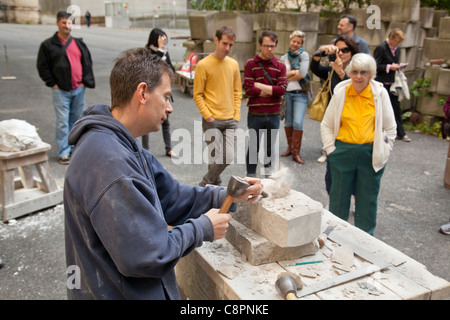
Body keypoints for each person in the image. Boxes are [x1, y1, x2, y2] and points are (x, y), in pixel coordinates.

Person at [64, 48, 263, 300]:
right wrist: (202, 228)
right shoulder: (108, 162)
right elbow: (146, 255)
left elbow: (172, 198)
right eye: (167, 97)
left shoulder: (125, 144)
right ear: (143, 93)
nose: (169, 108)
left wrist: (228, 195)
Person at [320, 53, 397, 235]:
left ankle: (365, 241)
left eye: (364, 72)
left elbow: (390, 128)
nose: (359, 77)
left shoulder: (379, 93)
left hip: (370, 153)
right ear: (349, 72)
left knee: (367, 200)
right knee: (338, 199)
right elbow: (326, 125)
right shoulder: (341, 92)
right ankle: (334, 236)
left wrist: (385, 151)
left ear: (371, 74)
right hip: (342, 152)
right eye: (354, 72)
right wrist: (331, 150)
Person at [37, 11, 95, 165]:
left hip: (78, 88)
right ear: (57, 23)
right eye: (64, 23)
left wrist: (84, 82)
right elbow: (42, 67)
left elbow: (87, 62)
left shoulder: (78, 43)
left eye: (69, 23)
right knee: (63, 121)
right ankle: (63, 151)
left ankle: (75, 149)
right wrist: (52, 83)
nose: (67, 26)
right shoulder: (48, 45)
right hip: (60, 90)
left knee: (76, 121)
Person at [193, 26, 242, 187]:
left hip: (230, 120)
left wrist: (236, 115)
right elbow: (197, 94)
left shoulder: (233, 64)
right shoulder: (203, 65)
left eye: (231, 45)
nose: (227, 48)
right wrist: (208, 116)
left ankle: (204, 184)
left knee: (228, 156)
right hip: (211, 120)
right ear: (216, 40)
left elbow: (237, 91)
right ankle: (213, 192)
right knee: (214, 159)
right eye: (224, 43)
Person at [311, 35, 359, 195]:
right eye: (338, 50)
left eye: (346, 50)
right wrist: (320, 52)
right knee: (331, 174)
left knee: (351, 170)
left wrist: (341, 73)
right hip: (334, 125)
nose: (342, 54)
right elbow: (316, 68)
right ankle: (335, 202)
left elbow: (354, 91)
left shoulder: (359, 72)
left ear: (352, 52)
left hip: (352, 126)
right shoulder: (331, 71)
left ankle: (351, 198)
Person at [243, 30, 287, 177]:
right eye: (267, 46)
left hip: (273, 114)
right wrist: (271, 91)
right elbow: (248, 88)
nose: (270, 49)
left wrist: (259, 86)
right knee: (253, 146)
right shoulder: (250, 64)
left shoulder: (280, 66)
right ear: (260, 45)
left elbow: (281, 90)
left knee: (270, 148)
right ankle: (250, 176)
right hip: (255, 114)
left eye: (273, 46)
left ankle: (268, 176)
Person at [142, 28, 178, 158]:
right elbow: (153, 70)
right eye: (161, 37)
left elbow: (171, 70)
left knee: (166, 121)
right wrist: (160, 51)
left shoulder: (164, 52)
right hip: (152, 92)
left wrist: (163, 52)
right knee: (147, 122)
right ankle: (145, 151)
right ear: (155, 38)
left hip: (164, 93)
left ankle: (169, 148)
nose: (164, 39)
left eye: (164, 36)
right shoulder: (148, 52)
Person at [374, 28, 411, 142]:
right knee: (380, 108)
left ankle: (400, 132)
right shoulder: (381, 48)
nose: (397, 44)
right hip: (382, 82)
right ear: (390, 38)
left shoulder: (397, 49)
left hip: (393, 82)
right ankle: (379, 132)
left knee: (396, 108)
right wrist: (389, 67)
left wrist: (399, 66)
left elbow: (394, 62)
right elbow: (375, 65)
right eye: (396, 41)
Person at [280, 30, 310, 164]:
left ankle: (296, 153)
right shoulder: (283, 58)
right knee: (288, 122)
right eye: (294, 41)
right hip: (286, 94)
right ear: (290, 41)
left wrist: (288, 74)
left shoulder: (304, 55)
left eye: (299, 42)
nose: (296, 44)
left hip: (300, 94)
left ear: (302, 44)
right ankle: (290, 148)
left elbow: (303, 74)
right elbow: (280, 76)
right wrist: (293, 72)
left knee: (298, 122)